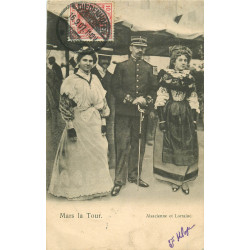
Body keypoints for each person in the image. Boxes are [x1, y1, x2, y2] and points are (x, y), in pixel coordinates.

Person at [48, 47, 113, 200]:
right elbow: (64, 105)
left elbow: (102, 103)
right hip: (78, 122)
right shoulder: (71, 80)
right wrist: (70, 126)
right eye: (85, 60)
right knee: (77, 154)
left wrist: (103, 121)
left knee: (100, 150)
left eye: (91, 61)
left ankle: (97, 188)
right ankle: (77, 190)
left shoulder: (96, 79)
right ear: (78, 61)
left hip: (95, 121)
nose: (88, 63)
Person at [111, 36, 157, 196]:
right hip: (124, 113)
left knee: (139, 146)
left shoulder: (149, 68)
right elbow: (115, 89)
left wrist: (146, 100)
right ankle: (118, 180)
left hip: (140, 114)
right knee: (122, 145)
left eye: (143, 47)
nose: (140, 50)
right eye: (137, 47)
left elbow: (153, 89)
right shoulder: (121, 67)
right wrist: (131, 100)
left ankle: (134, 176)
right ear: (130, 48)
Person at [154, 45, 200, 195]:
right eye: (180, 60)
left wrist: (194, 119)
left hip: (185, 113)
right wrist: (162, 119)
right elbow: (161, 98)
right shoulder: (166, 76)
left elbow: (193, 99)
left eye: (185, 60)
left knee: (186, 145)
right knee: (172, 145)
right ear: (174, 61)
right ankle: (174, 179)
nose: (183, 62)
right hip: (170, 111)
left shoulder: (190, 78)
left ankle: (184, 180)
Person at [91, 47, 116, 169]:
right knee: (93, 137)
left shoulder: (111, 76)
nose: (106, 61)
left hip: (108, 112)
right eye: (103, 58)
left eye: (108, 58)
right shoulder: (90, 73)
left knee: (108, 136)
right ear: (98, 59)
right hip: (92, 113)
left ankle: (107, 162)